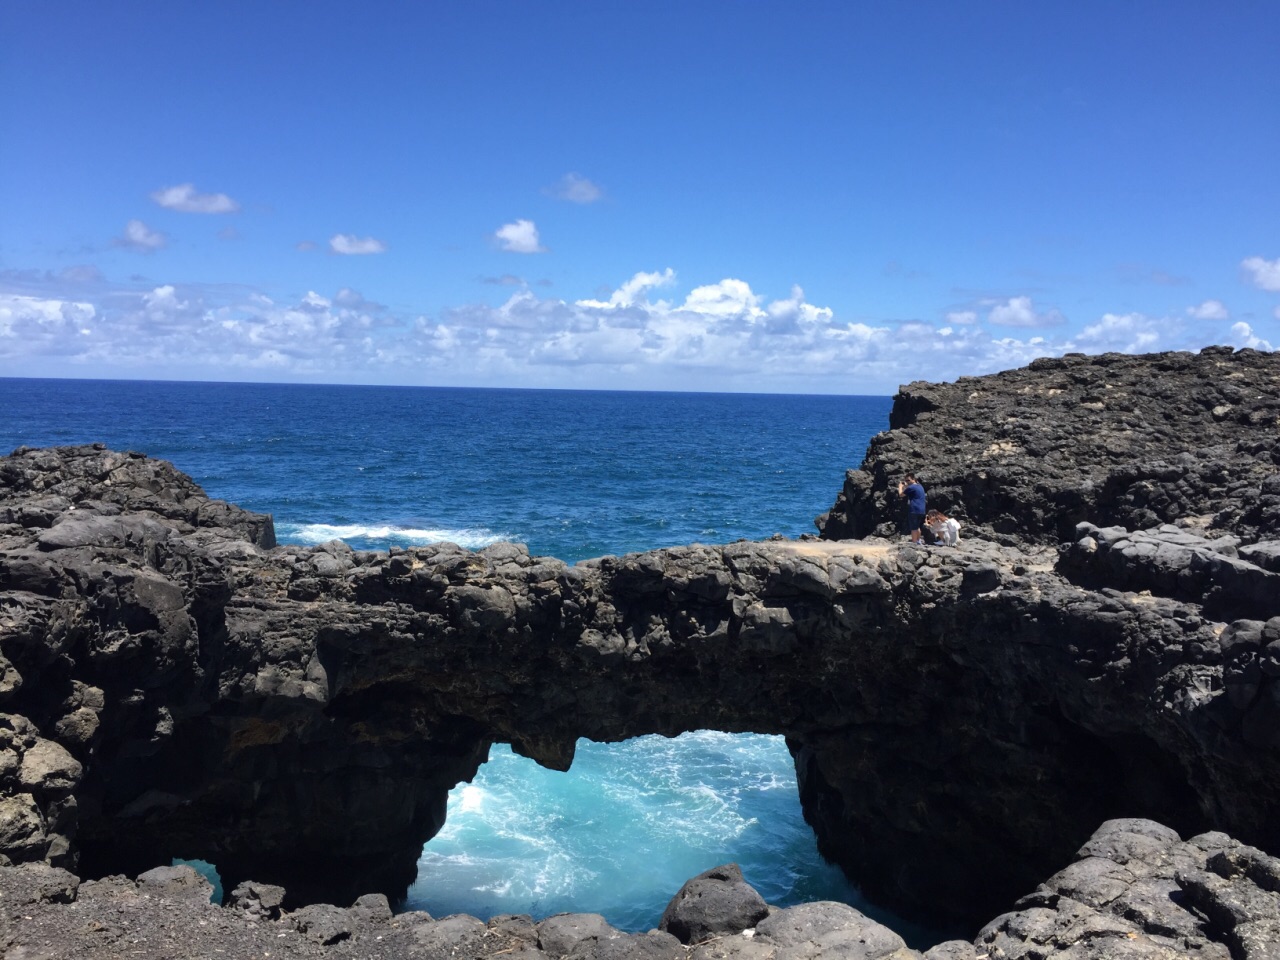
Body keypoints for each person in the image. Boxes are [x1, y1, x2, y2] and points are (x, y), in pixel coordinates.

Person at [897, 473, 926, 543]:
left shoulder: (911, 487)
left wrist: (900, 487)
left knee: (913, 528)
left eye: (908, 480)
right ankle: (918, 541)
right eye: (906, 480)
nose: (907, 482)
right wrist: (907, 485)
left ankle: (914, 542)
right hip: (922, 510)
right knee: (917, 526)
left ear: (914, 479)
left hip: (914, 510)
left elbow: (901, 495)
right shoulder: (920, 486)